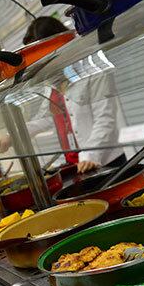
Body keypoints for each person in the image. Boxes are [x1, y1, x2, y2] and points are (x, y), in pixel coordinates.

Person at [22, 17, 125, 173]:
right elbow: (48, 117)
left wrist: (90, 155)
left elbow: (105, 118)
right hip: (76, 165)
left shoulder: (92, 68)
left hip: (105, 162)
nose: (40, 62)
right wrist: (15, 134)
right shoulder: (52, 80)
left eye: (42, 54)